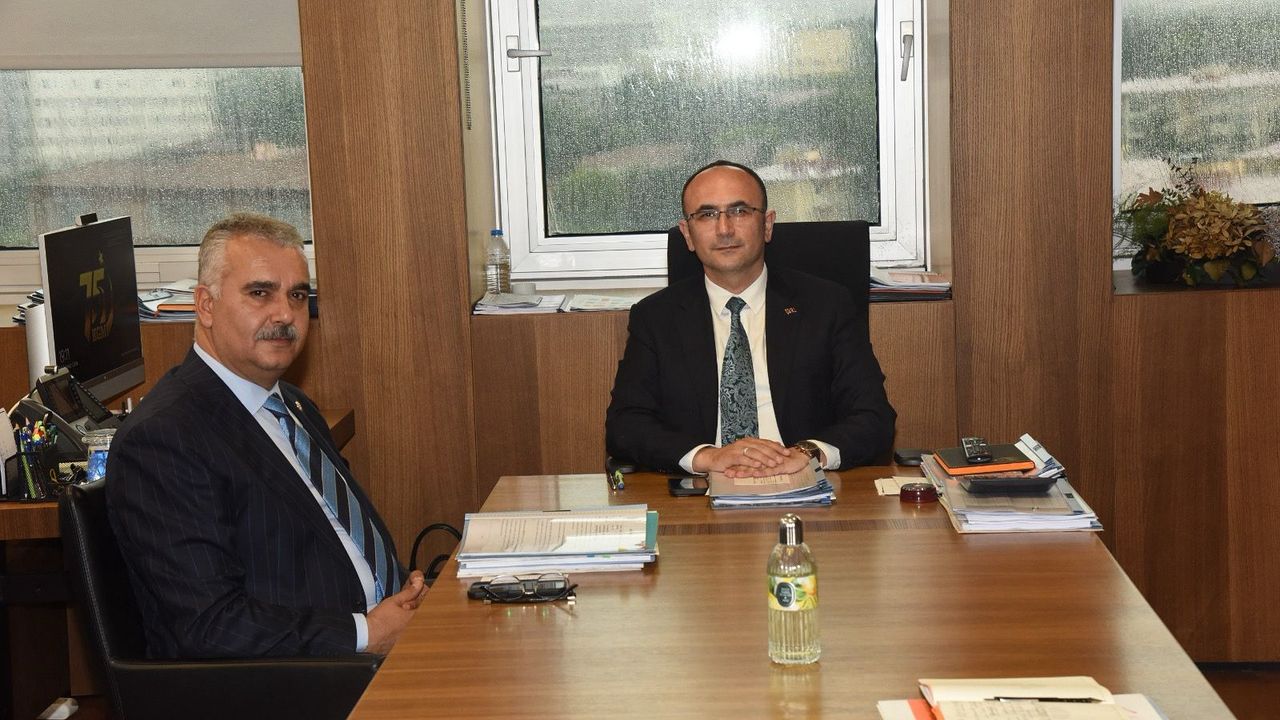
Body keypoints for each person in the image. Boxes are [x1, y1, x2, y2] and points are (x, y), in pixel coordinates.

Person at [107, 212, 426, 659]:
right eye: (260, 293)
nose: (285, 314)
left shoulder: (292, 405)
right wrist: (365, 633)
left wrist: (405, 595)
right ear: (205, 305)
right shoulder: (164, 438)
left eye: (297, 295)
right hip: (300, 678)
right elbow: (210, 624)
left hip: (382, 641)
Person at [605, 161, 896, 477]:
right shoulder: (656, 318)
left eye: (740, 211)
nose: (724, 229)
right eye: (707, 215)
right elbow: (625, 425)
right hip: (704, 489)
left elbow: (874, 417)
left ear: (767, 225)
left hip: (803, 482)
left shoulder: (827, 306)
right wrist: (707, 457)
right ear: (687, 234)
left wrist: (807, 454)